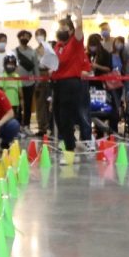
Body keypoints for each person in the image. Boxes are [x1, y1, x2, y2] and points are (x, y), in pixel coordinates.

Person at [49, 9, 92, 152]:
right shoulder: (58, 45)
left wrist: (78, 11)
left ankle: (70, 149)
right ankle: (71, 142)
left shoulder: (75, 42)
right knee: (57, 116)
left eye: (64, 28)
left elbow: (79, 27)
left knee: (66, 117)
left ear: (71, 31)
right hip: (57, 84)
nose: (61, 31)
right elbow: (56, 62)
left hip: (71, 83)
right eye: (59, 28)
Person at [14, 30, 39, 130]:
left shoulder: (33, 52)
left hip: (29, 83)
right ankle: (17, 126)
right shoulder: (14, 52)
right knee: (17, 105)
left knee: (28, 105)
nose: (25, 38)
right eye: (23, 36)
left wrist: (37, 81)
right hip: (17, 84)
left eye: (27, 37)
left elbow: (36, 67)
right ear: (19, 37)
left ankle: (27, 126)